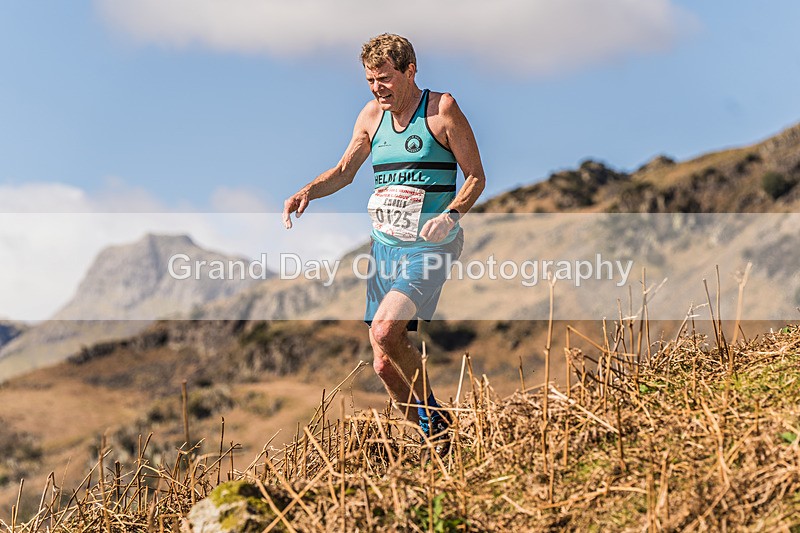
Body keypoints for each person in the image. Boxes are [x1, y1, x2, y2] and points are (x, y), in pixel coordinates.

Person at [282, 33, 486, 454]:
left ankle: (437, 428)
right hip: (384, 250)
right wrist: (307, 191)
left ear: (410, 71)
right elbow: (343, 170)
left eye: (385, 79)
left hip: (431, 246)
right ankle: (440, 437)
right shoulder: (371, 116)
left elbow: (475, 177)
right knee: (383, 363)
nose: (378, 88)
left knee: (386, 329)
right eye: (371, 81)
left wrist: (451, 215)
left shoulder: (441, 109)